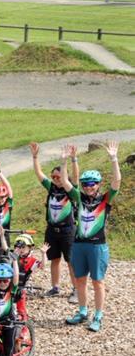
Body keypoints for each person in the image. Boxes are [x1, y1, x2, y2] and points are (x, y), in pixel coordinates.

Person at [60, 141, 121, 332]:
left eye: (92, 184)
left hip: (97, 246)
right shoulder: (78, 198)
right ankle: (83, 311)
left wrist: (114, 159)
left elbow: (117, 182)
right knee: (80, 280)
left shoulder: (105, 199)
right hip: (79, 245)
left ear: (98, 185)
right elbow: (64, 182)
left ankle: (99, 315)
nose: (88, 187)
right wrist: (64, 162)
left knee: (98, 281)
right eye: (85, 184)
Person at [30, 142, 78, 301]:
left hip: (68, 230)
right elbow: (38, 173)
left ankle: (76, 289)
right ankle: (55, 287)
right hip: (52, 230)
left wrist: (73, 159)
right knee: (54, 259)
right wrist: (35, 156)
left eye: (59, 176)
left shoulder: (70, 190)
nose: (56, 179)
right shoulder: (51, 188)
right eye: (54, 177)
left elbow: (75, 177)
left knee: (71, 261)